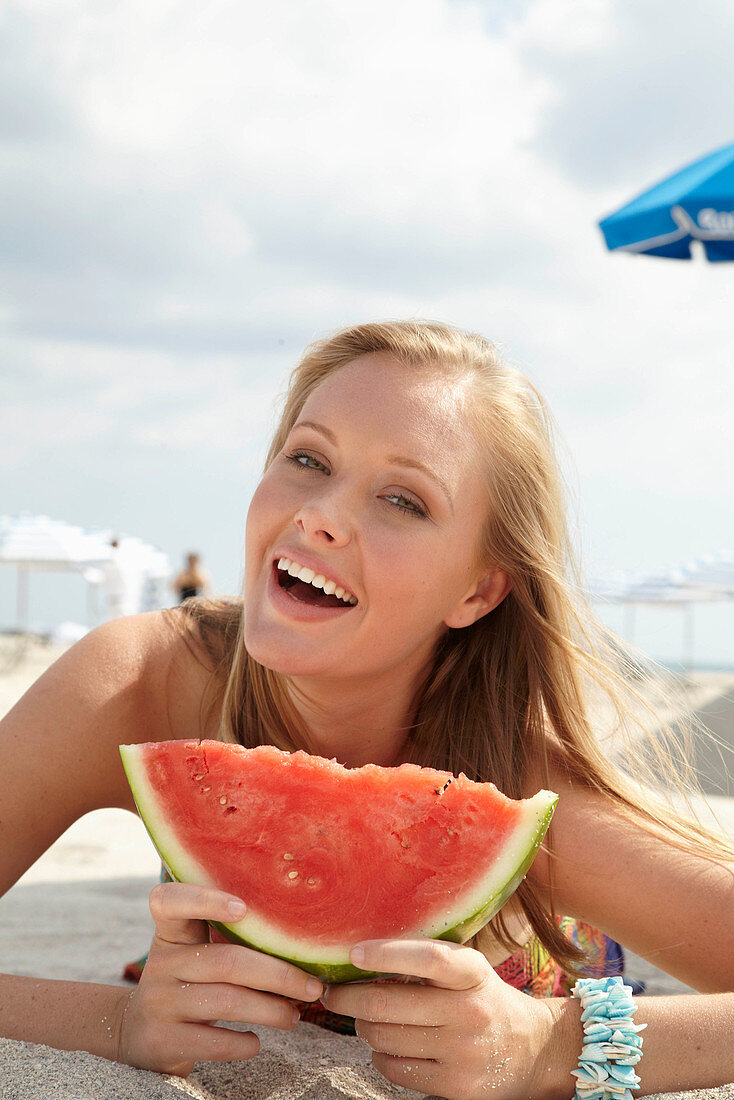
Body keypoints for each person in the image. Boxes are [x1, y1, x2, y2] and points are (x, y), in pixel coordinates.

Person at [1, 320, 733, 1098]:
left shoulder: (517, 792)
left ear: (477, 590)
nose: (320, 513)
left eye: (404, 501)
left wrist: (549, 1043)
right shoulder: (139, 679)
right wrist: (121, 1023)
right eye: (308, 458)